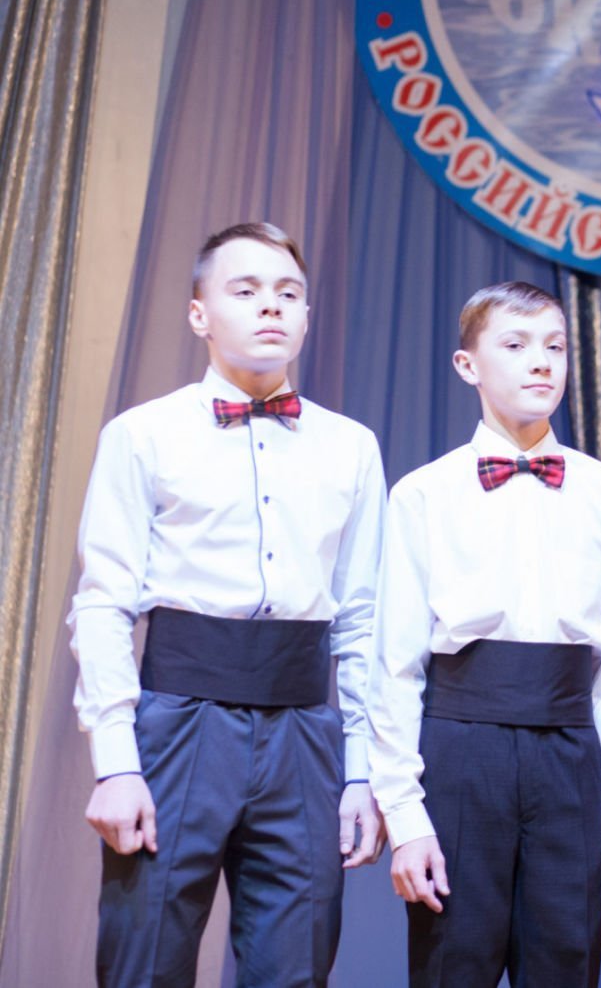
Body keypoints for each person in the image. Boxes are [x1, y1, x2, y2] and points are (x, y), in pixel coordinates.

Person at [70, 221, 387, 986]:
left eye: (288, 292)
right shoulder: (143, 434)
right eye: (245, 290)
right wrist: (116, 762)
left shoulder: (351, 446)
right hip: (178, 719)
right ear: (199, 313)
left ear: (306, 314)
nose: (271, 306)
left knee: (297, 961)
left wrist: (361, 770)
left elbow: (363, 619)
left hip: (304, 728)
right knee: (145, 955)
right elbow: (104, 603)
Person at [368, 281, 601, 987]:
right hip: (460, 748)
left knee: (566, 963)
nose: (541, 361)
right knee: (451, 965)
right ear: (468, 364)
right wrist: (404, 815)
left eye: (555, 346)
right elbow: (395, 664)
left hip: (569, 750)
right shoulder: (423, 494)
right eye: (516, 344)